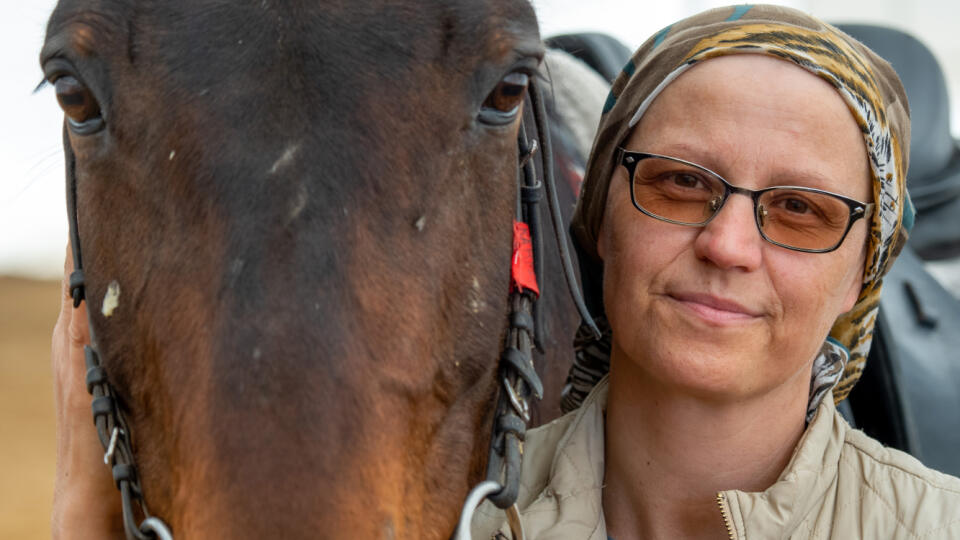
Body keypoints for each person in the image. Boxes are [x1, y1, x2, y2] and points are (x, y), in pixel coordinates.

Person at [470, 4, 960, 539]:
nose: (727, 246)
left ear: (858, 277)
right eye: (682, 182)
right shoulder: (447, 517)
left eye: (800, 208)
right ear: (601, 218)